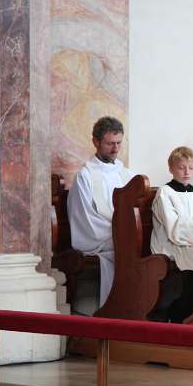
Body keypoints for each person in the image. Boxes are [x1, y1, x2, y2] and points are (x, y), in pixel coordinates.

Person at [67, 116, 133, 307]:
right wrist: (117, 232)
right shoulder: (85, 176)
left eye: (118, 143)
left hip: (121, 234)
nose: (115, 149)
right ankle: (116, 309)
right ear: (95, 142)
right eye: (110, 143)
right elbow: (84, 217)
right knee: (127, 249)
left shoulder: (126, 174)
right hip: (98, 236)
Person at [150, 146, 193, 323]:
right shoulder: (165, 193)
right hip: (171, 244)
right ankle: (179, 315)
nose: (186, 172)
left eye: (190, 167)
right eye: (181, 167)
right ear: (171, 168)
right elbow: (175, 228)